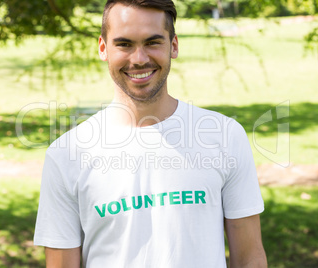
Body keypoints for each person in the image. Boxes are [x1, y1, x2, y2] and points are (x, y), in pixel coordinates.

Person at [34, 0, 268, 267]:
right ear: (103, 48)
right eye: (124, 44)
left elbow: (250, 259)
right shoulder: (67, 154)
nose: (139, 58)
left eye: (152, 42)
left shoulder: (225, 137)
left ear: (174, 46)